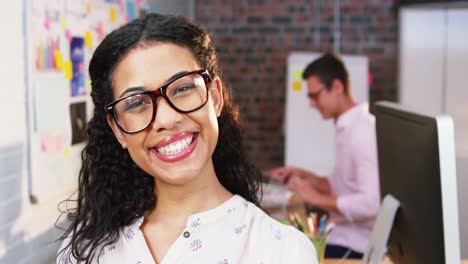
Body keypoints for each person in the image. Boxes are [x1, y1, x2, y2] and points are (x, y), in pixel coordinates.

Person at [56, 13, 317, 264]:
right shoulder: (84, 252)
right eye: (136, 103)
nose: (167, 119)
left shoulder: (283, 251)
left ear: (215, 97)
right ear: (117, 129)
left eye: (182, 88)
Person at [269, 53, 380, 259]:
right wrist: (304, 176)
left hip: (357, 245)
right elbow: (339, 185)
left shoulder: (363, 133)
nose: (312, 104)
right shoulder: (346, 128)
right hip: (341, 234)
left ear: (337, 87)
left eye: (315, 95)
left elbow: (372, 203)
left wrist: (316, 198)